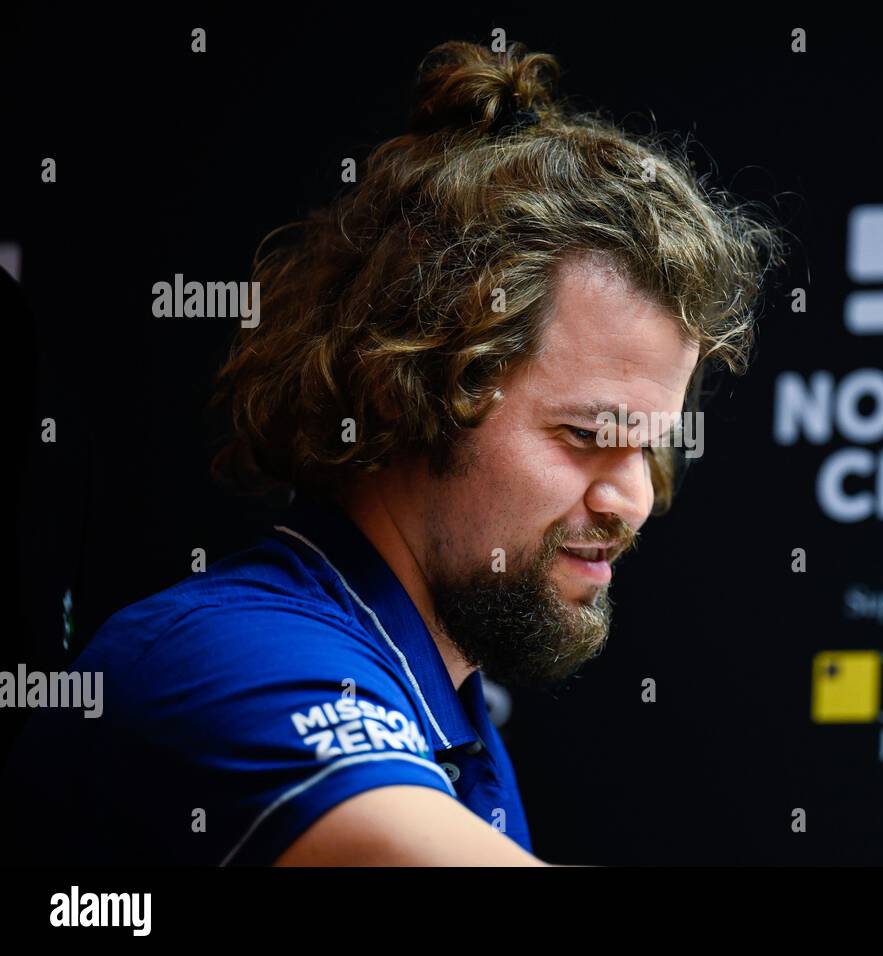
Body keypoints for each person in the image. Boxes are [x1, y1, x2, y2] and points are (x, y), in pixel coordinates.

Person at [0, 39, 782, 866]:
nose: (632, 498)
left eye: (653, 445)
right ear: (406, 393)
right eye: (587, 435)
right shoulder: (230, 658)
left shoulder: (442, 701)